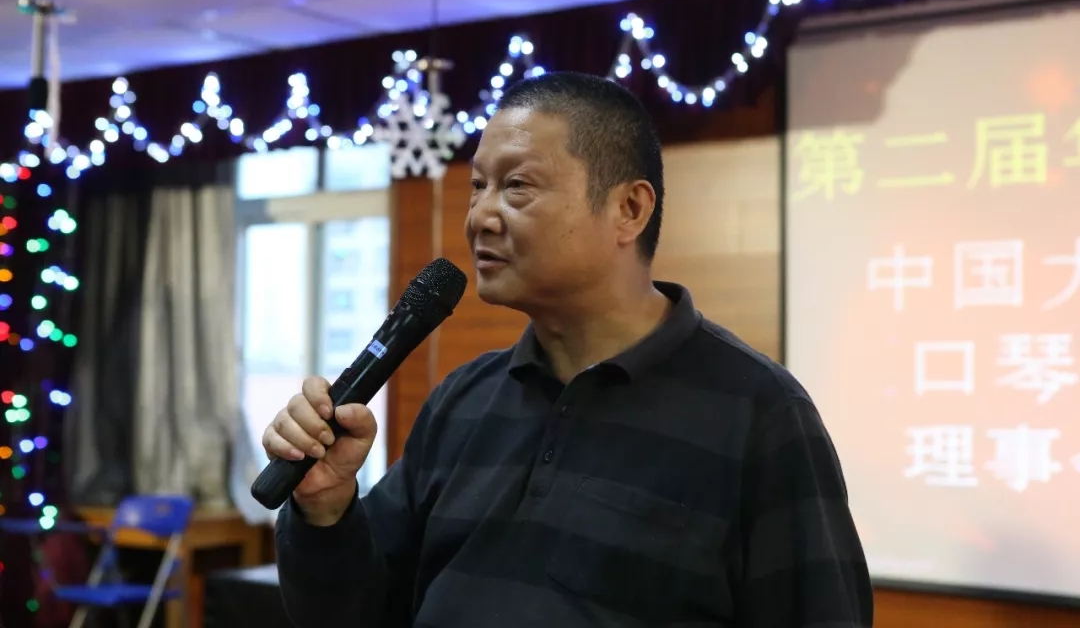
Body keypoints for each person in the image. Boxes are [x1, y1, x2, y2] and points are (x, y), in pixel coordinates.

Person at [265, 71, 873, 627]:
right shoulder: (463, 401)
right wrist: (326, 509)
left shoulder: (760, 414)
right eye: (478, 186)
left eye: (517, 186)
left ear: (629, 209)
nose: (481, 217)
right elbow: (356, 613)